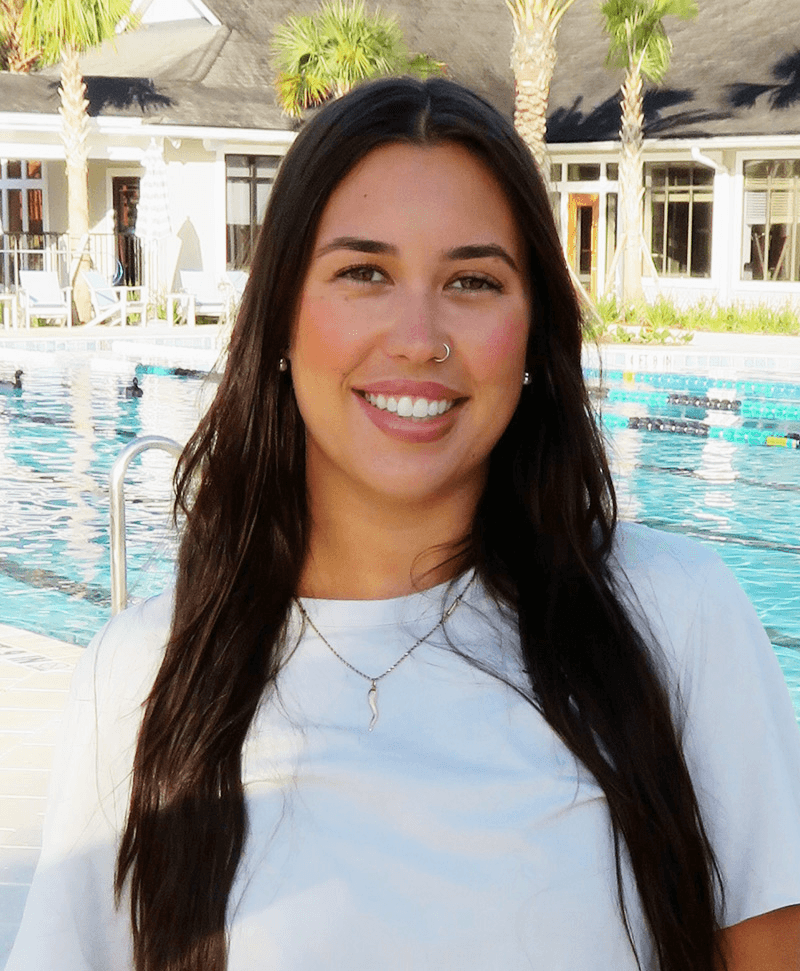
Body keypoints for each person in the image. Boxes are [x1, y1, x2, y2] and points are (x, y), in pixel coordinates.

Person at [8, 77, 800, 971]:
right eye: (364, 273)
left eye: (472, 280)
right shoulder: (147, 674)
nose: (419, 336)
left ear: (534, 333)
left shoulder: (675, 618)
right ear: (280, 316)